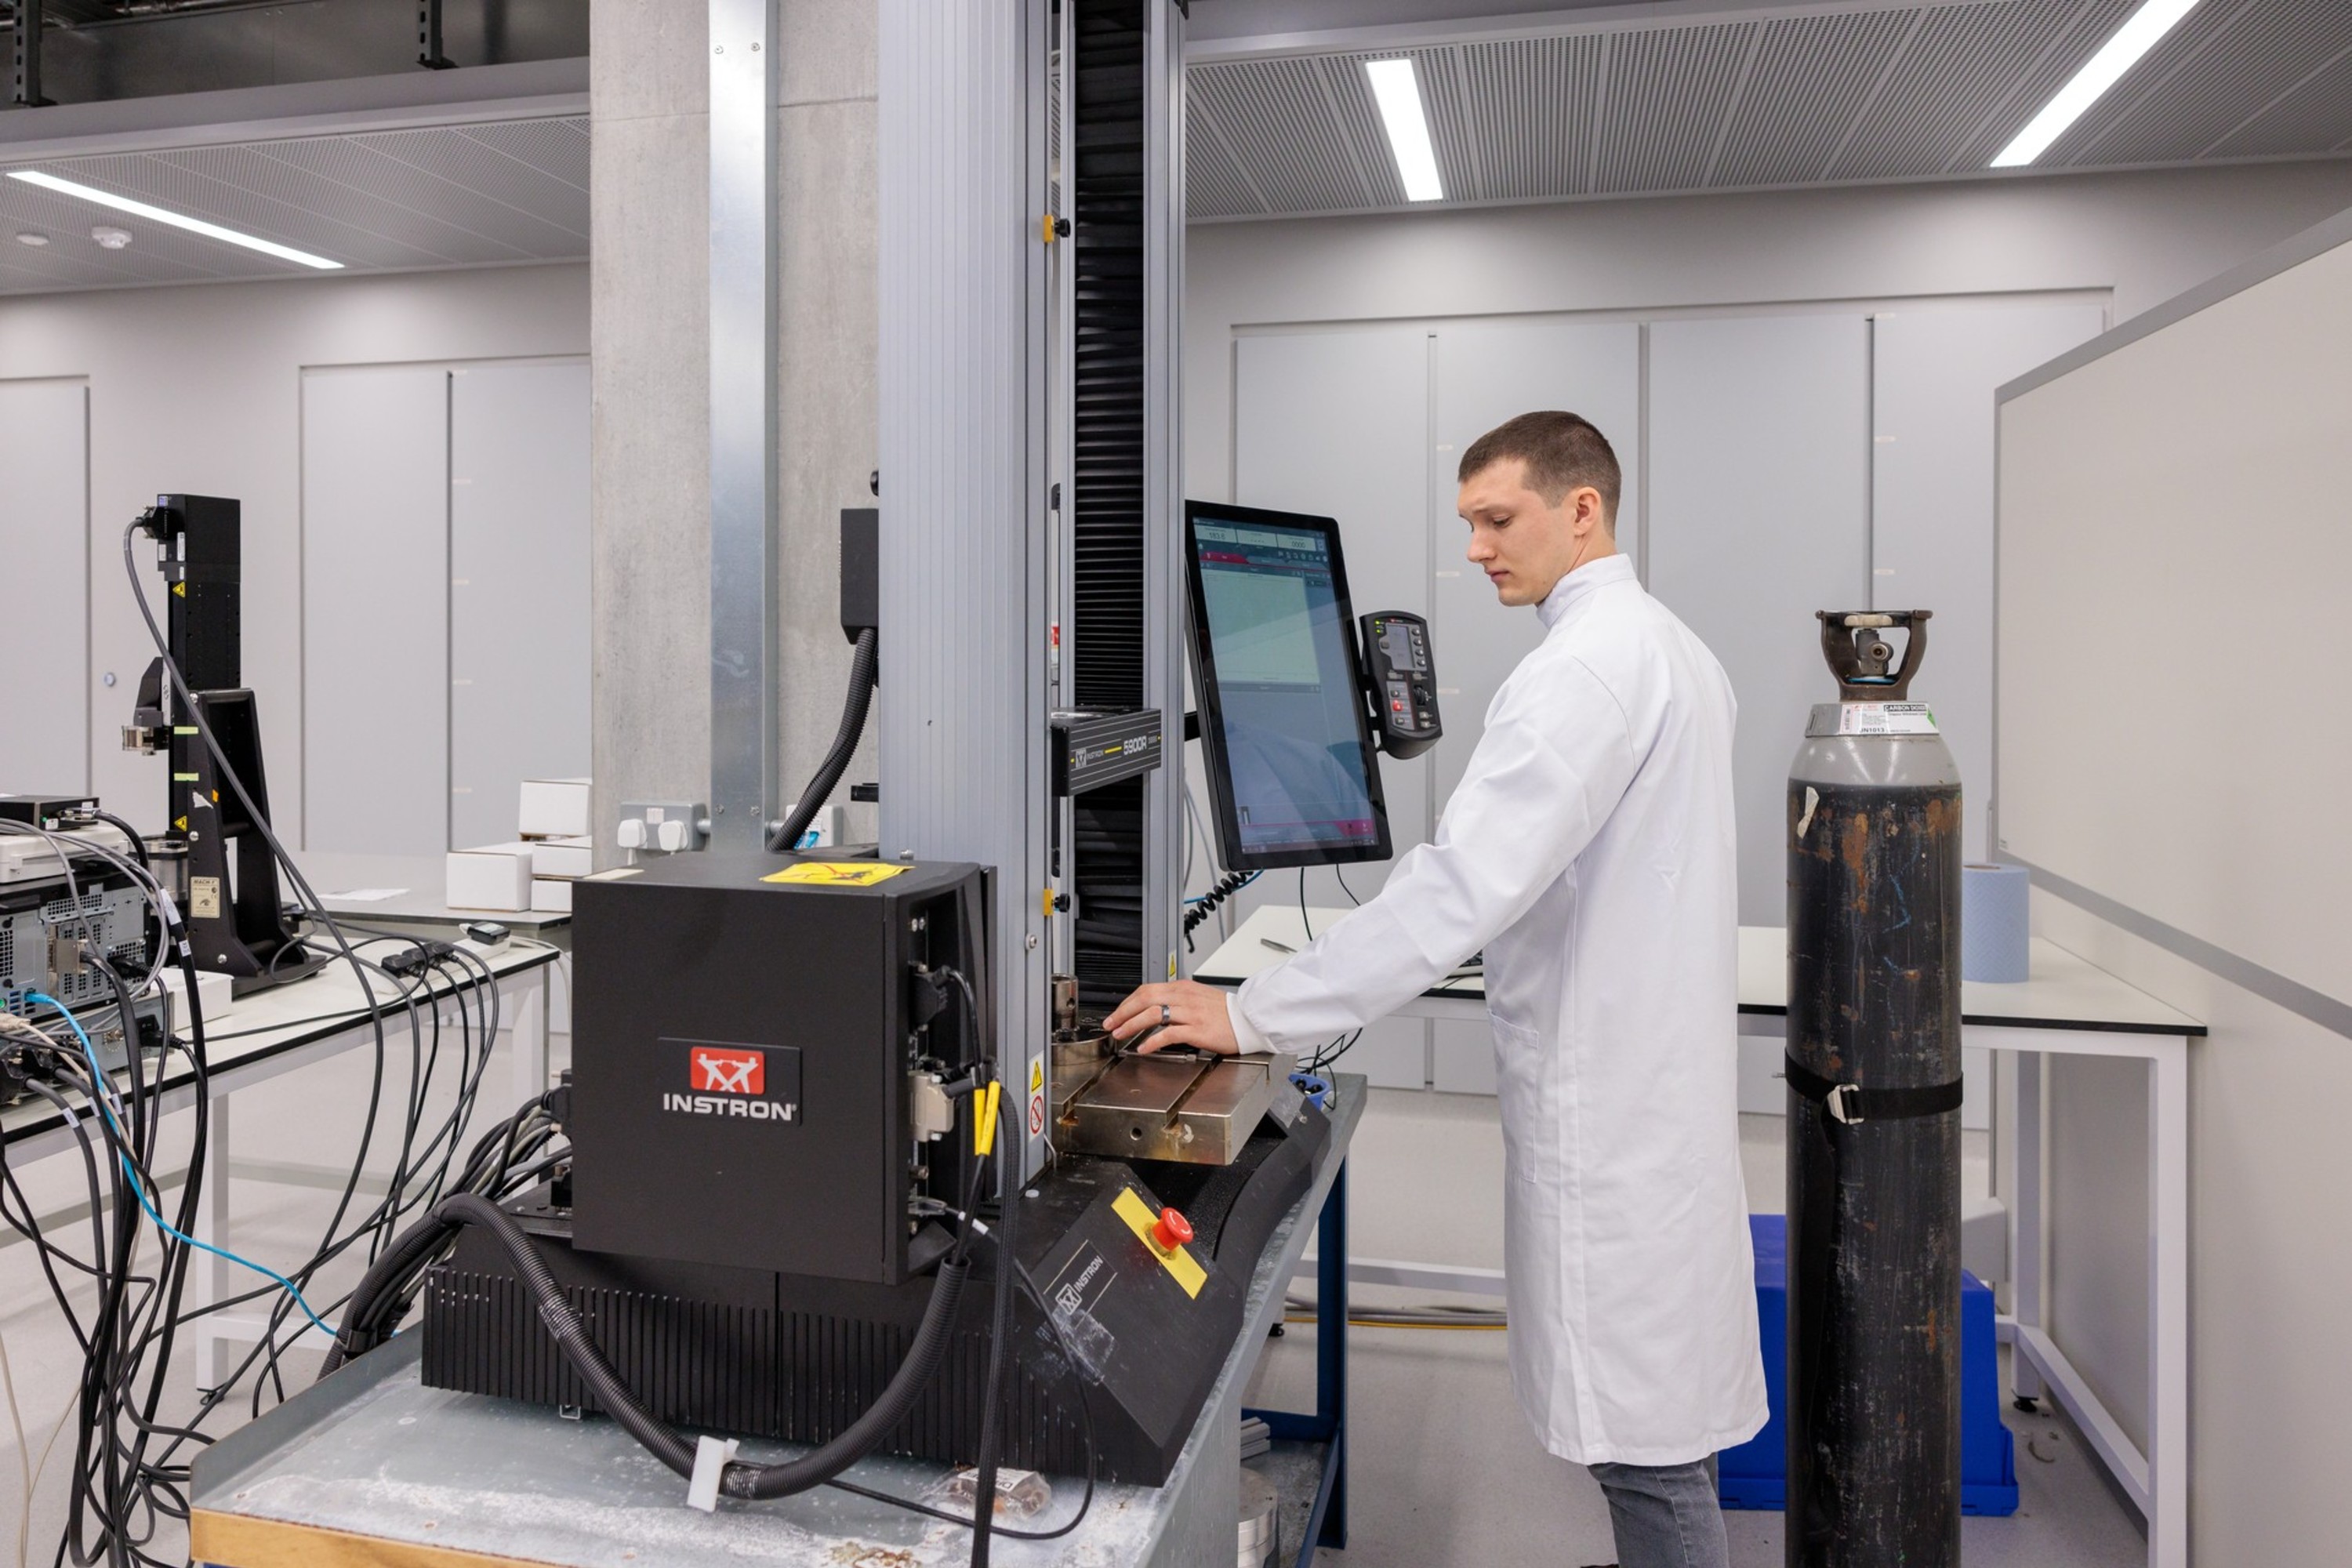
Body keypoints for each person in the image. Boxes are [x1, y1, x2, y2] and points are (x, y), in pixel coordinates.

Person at [1106, 411, 1767, 1568]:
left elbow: (1460, 888)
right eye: (1468, 523)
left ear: (1582, 510)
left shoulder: (1586, 672)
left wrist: (1251, 1011)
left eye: (1497, 519)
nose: (1475, 549)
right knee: (1661, 1426)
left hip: (1613, 1109)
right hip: (1647, 1085)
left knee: (1648, 1456)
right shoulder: (1666, 647)